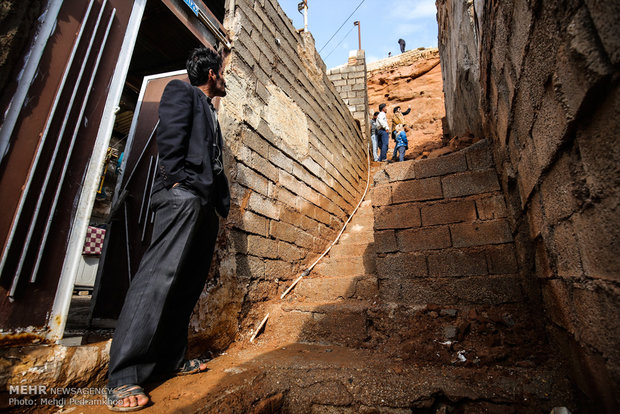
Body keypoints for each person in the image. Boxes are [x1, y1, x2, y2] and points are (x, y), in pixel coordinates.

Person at [105, 46, 230, 412]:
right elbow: (171, 137)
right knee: (158, 278)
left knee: (186, 284)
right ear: (212, 74)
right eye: (222, 72)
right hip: (183, 197)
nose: (224, 78)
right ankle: (123, 375)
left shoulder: (210, 110)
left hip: (205, 205)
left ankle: (171, 360)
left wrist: (216, 204)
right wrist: (178, 183)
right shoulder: (182, 92)